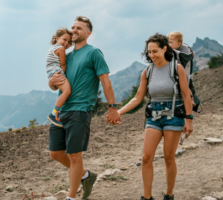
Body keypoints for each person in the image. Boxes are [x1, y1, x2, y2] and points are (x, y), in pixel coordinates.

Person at [48, 16, 121, 200]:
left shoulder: (94, 52)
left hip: (80, 110)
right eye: (72, 27)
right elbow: (56, 84)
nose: (74, 30)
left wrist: (112, 107)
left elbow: (105, 81)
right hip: (61, 110)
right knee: (55, 153)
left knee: (74, 157)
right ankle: (86, 175)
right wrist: (51, 83)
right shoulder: (66, 55)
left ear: (88, 33)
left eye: (78, 28)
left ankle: (71, 197)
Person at [117, 33, 193, 200]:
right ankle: (147, 197)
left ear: (164, 48)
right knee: (146, 157)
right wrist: (119, 112)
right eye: (149, 52)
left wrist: (189, 119)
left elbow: (186, 95)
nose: (152, 55)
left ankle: (169, 194)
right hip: (154, 115)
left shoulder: (176, 68)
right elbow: (138, 97)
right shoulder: (148, 71)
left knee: (168, 157)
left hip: (174, 115)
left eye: (155, 51)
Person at [46, 28, 73, 127]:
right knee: (67, 91)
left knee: (64, 91)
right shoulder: (60, 49)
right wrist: (64, 75)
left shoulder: (52, 48)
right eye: (64, 39)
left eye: (69, 42)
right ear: (57, 38)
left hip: (51, 72)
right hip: (57, 71)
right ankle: (54, 114)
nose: (66, 43)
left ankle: (56, 114)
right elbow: (63, 64)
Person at [167, 31, 196, 107]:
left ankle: (191, 100)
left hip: (181, 77)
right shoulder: (185, 52)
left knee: (186, 88)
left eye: (170, 42)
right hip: (185, 77)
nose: (167, 44)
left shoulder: (178, 54)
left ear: (178, 44)